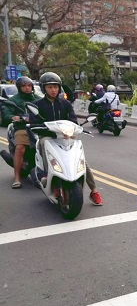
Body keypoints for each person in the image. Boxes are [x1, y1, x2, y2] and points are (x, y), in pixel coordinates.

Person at [31, 72, 103, 206]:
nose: (53, 90)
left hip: (66, 137)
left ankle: (94, 191)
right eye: (50, 87)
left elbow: (73, 120)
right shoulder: (38, 105)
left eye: (55, 87)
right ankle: (47, 175)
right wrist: (43, 128)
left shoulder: (65, 104)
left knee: (81, 162)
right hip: (48, 137)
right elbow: (35, 123)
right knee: (44, 143)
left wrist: (71, 130)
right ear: (43, 88)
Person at [1, 76, 43, 188]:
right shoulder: (13, 100)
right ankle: (17, 178)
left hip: (37, 127)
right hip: (22, 127)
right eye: (24, 86)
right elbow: (6, 114)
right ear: (19, 88)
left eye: (29, 85)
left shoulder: (38, 99)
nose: (27, 88)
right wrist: (14, 117)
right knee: (20, 148)